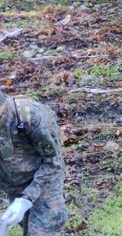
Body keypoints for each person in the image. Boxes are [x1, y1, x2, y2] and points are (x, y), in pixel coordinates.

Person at [0, 92, 66, 235]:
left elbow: (53, 164)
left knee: (38, 232)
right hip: (14, 185)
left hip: (45, 182)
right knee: (26, 226)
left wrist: (27, 198)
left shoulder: (32, 117)